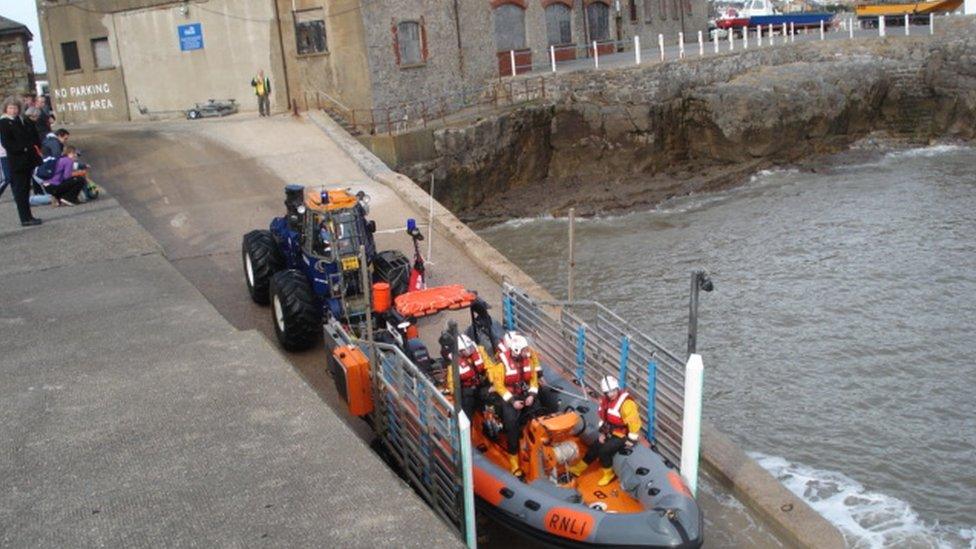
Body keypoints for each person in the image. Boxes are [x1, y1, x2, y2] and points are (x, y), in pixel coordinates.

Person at [569, 375, 642, 486]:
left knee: (604, 451)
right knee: (595, 446)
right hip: (610, 431)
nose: (611, 394)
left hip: (623, 435)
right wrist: (603, 433)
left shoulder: (627, 404)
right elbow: (604, 419)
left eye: (613, 391)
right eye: (608, 392)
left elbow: (634, 422)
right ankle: (578, 469)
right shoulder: (605, 401)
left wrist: (631, 440)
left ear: (617, 388)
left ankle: (608, 473)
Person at [487, 330, 541, 474]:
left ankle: (536, 443)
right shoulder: (502, 364)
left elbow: (534, 380)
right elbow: (499, 385)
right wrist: (512, 401)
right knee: (512, 427)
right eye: (524, 349)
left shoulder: (527, 360)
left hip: (525, 395)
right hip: (510, 397)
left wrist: (531, 395)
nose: (527, 351)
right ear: (517, 350)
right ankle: (514, 463)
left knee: (539, 412)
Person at [0, 96, 42, 226]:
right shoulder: (4, 123)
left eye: (15, 108)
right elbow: (7, 143)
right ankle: (24, 218)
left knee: (25, 189)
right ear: (6, 109)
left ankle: (28, 216)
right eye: (10, 108)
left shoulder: (19, 120)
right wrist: (23, 148)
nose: (13, 110)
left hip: (26, 160)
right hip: (16, 160)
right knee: (20, 190)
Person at [444, 333, 491, 420]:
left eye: (470, 347)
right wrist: (455, 394)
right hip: (467, 390)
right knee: (467, 408)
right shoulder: (454, 364)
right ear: (460, 351)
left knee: (489, 401)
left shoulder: (478, 353)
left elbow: (489, 366)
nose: (471, 350)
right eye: (467, 349)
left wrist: (491, 380)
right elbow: (452, 382)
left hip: (480, 385)